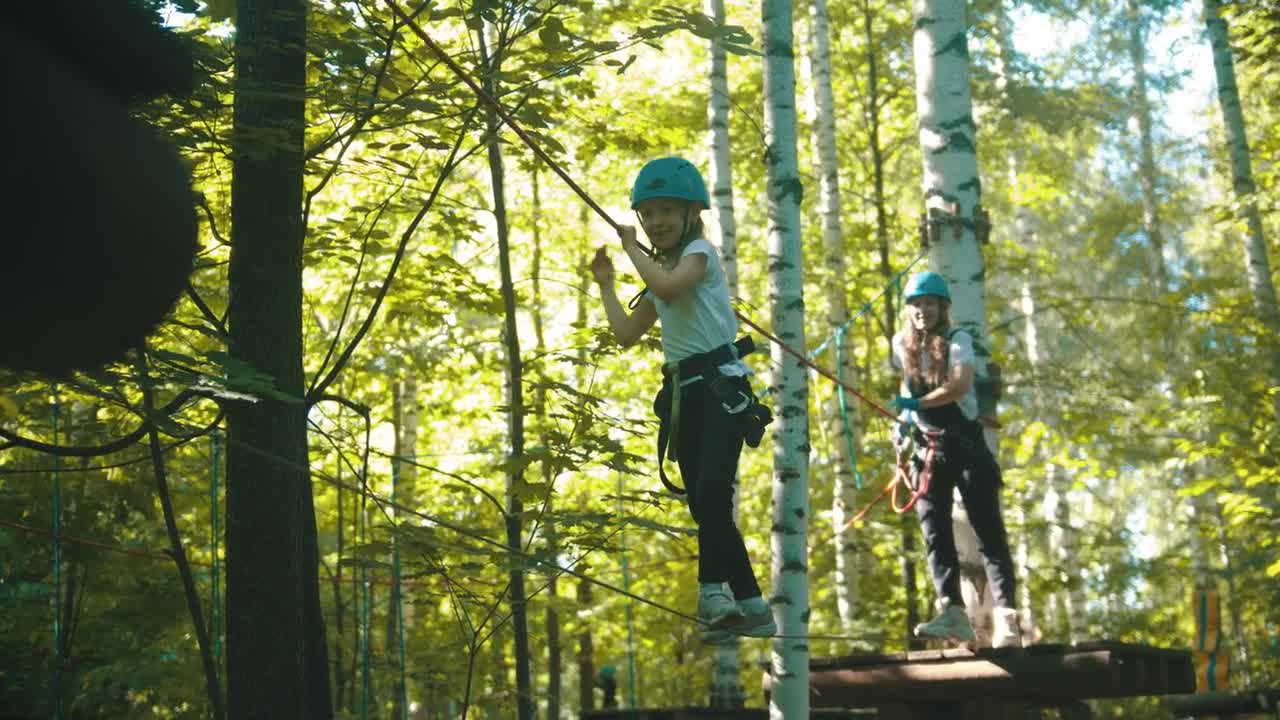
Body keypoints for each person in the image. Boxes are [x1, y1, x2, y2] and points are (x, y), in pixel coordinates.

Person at [589, 156, 774, 643]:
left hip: (722, 390)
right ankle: (752, 604)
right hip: (683, 398)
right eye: (648, 214)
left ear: (693, 213)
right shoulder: (663, 272)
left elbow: (670, 286)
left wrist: (631, 248)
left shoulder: (699, 254)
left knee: (712, 492)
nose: (656, 222)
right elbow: (626, 333)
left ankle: (713, 594)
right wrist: (606, 285)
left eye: (667, 211)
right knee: (705, 506)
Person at [889, 271, 1021, 648]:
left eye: (929, 303)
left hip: (964, 444)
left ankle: (1007, 619)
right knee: (934, 531)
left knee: (987, 530)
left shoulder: (957, 340)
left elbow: (960, 385)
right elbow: (906, 385)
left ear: (942, 307)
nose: (922, 310)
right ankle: (953, 611)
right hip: (927, 449)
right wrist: (903, 423)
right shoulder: (901, 343)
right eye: (916, 304)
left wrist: (917, 403)